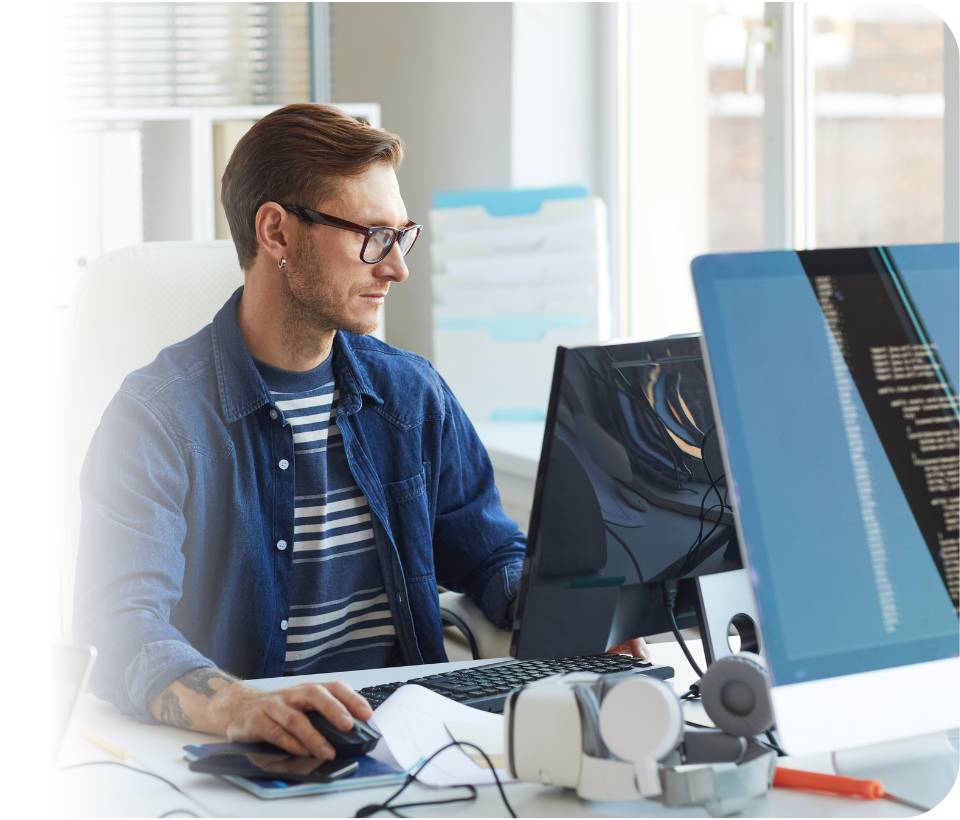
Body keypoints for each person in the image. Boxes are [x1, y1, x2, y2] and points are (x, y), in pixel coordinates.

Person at [74, 103, 643, 762]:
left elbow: (491, 556)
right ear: (276, 232)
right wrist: (238, 705)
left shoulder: (412, 395)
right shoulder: (156, 417)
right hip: (250, 753)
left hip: (413, 740)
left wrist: (575, 616)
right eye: (373, 236)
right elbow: (122, 629)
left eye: (402, 236)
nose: (397, 267)